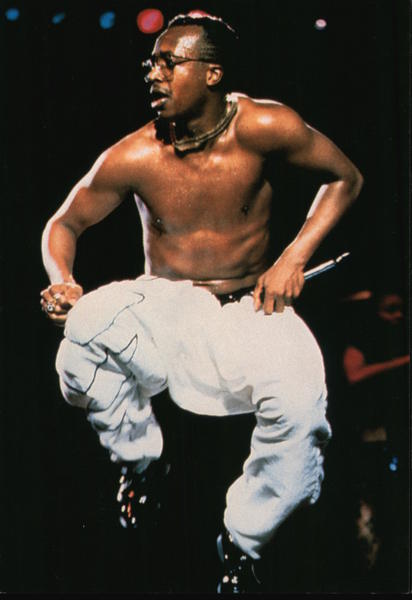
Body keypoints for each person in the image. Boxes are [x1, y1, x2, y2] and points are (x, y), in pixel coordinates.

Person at [40, 13, 363, 593]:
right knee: (80, 336)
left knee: (302, 409)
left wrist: (293, 257)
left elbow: (345, 178)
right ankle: (140, 462)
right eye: (151, 64)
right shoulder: (134, 155)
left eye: (169, 63)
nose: (153, 74)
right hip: (165, 311)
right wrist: (62, 279)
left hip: (250, 309)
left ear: (213, 73)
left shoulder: (265, 125)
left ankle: (242, 543)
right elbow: (64, 223)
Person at [341, 289, 409, 588]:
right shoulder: (362, 338)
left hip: (390, 437)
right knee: (367, 514)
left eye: (401, 310)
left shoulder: (394, 340)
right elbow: (354, 373)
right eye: (390, 309)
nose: (398, 316)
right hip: (366, 440)